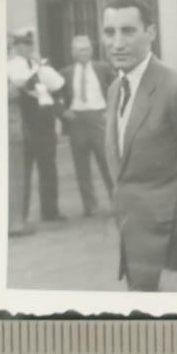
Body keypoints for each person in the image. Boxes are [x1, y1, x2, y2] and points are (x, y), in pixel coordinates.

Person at [102, 0, 177, 291]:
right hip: (133, 240)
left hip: (172, 244)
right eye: (110, 32)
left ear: (151, 32)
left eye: (128, 31)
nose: (117, 43)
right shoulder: (115, 89)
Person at [7, 28, 65, 230]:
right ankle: (19, 216)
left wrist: (41, 68)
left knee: (48, 167)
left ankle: (50, 210)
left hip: (44, 121)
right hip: (27, 122)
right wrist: (39, 69)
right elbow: (23, 82)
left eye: (29, 44)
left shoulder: (36, 64)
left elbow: (57, 83)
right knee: (24, 171)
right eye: (22, 44)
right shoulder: (14, 65)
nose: (26, 48)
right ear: (16, 46)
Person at [58, 34, 116, 218]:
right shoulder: (65, 73)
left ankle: (117, 203)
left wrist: (110, 111)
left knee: (107, 163)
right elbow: (51, 95)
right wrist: (62, 112)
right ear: (73, 52)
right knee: (81, 166)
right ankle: (90, 206)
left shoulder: (103, 68)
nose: (85, 53)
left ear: (92, 50)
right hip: (77, 121)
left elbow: (119, 88)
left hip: (99, 117)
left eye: (87, 49)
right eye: (80, 50)